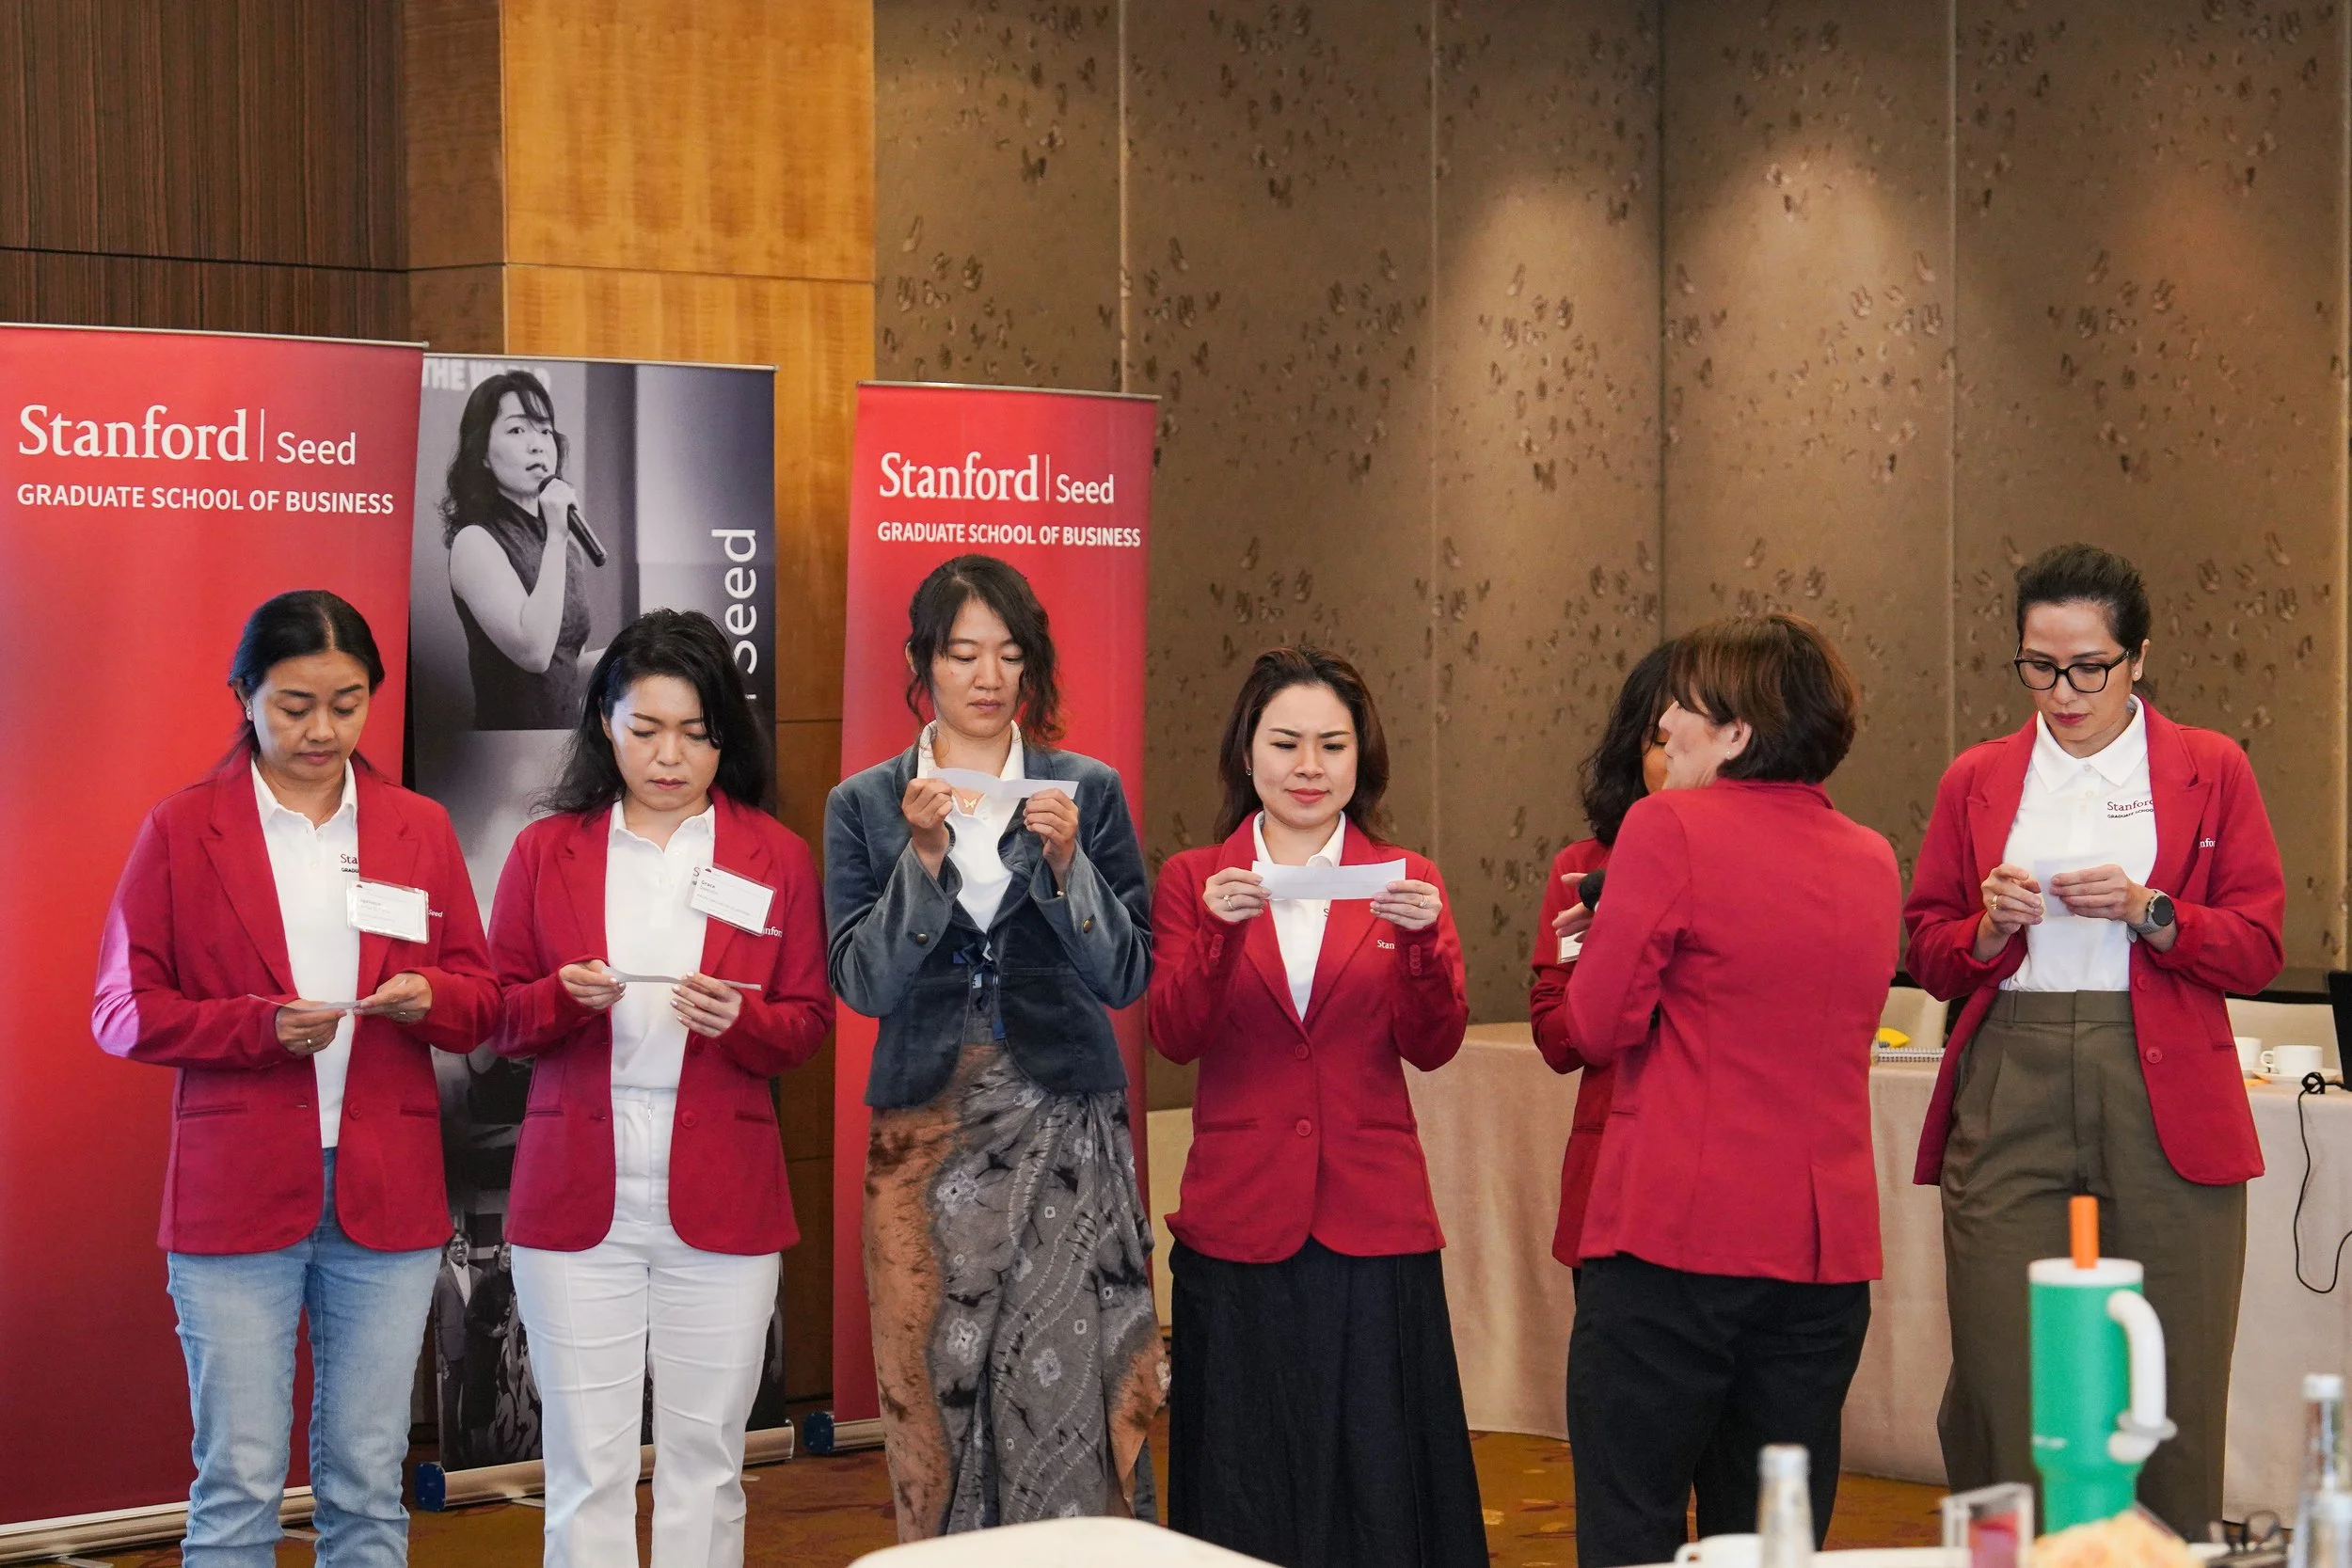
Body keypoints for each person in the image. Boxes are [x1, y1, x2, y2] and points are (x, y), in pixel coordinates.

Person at [91, 590, 501, 1567]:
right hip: (234, 1192)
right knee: (237, 1473)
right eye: (294, 705)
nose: (322, 729)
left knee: (366, 1472)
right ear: (244, 695)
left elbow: (484, 999)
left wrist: (429, 996)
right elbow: (121, 1009)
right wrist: (256, 1027)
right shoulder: (185, 829)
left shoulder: (416, 827)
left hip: (389, 1190)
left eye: (347, 703)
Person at [1904, 544, 2282, 1536]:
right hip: (2009, 1066)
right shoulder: (1978, 778)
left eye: (2089, 666)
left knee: (2170, 1367)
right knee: (1998, 1370)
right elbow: (1929, 949)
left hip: (2162, 1080)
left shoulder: (2210, 767)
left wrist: (2153, 909)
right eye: (2038, 665)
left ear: (2138, 655)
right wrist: (1986, 926)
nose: (2063, 690)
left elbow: (2256, 945)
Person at [485, 609, 833, 1567]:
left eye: (696, 731)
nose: (670, 755)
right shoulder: (544, 849)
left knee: (706, 1461)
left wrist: (743, 1020)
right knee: (587, 1465)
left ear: (726, 732)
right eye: (646, 729)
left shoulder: (775, 854)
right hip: (576, 1184)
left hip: (722, 1182)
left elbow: (806, 1018)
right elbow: (497, 1015)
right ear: (604, 721)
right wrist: (558, 999)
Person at [825, 554, 1162, 1539]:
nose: (986, 675)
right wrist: (920, 863)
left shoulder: (1083, 791)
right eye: (962, 651)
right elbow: (861, 983)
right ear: (920, 661)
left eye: (1009, 654)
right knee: (930, 1393)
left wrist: (1067, 868)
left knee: (1068, 1384)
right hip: (922, 1138)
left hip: (1065, 1123)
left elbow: (1126, 973)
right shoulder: (865, 801)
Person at [1565, 613, 1900, 1568]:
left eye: (1687, 706)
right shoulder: (1870, 855)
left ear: (1739, 732)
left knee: (1632, 1523)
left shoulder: (1665, 824)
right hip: (1820, 1254)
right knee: (1769, 1538)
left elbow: (1594, 1024)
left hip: (1677, 1239)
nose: (1665, 722)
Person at [1151, 645, 1483, 1568]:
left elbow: (1433, 1041)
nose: (1307, 766)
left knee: (1380, 1468)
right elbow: (1174, 1034)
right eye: (1285, 742)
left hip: (1371, 1219)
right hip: (1240, 1216)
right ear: (1246, 753)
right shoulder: (1193, 879)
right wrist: (1217, 933)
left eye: (1330, 745)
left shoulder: (1405, 874)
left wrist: (1421, 948)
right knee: (1244, 1471)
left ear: (1359, 756)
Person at [1530, 641, 1675, 1272]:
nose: (1675, 758)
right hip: (1613, 1175)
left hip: (1727, 1185)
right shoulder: (1583, 869)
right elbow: (1558, 1040)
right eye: (1658, 738)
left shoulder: (1773, 865)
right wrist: (1619, 939)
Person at [441, 370, 600, 729]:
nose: (537, 444)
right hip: (508, 751)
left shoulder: (562, 549)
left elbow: (566, 669)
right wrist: (558, 538)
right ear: (482, 454)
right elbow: (534, 652)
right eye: (517, 430)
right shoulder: (475, 541)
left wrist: (638, 655)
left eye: (545, 431)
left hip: (565, 744)